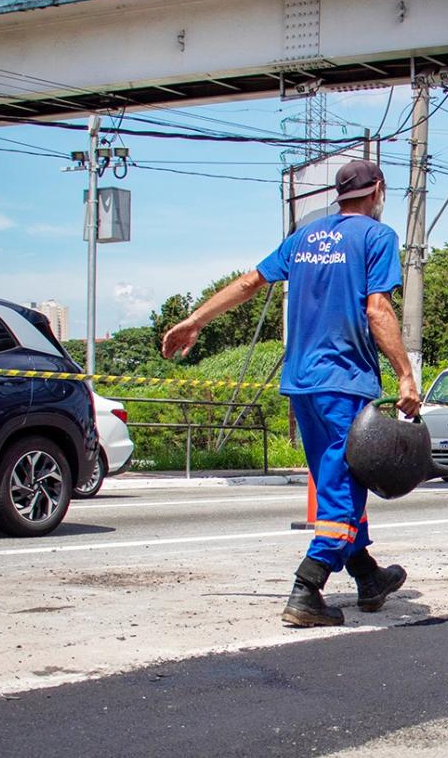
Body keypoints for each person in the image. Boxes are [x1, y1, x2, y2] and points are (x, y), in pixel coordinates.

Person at [162, 159, 421, 626]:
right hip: (344, 379)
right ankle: (307, 587)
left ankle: (367, 577)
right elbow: (378, 309)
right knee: (344, 489)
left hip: (301, 383)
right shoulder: (377, 237)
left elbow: (249, 282)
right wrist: (405, 373)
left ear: (340, 196)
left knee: (333, 481)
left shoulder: (304, 238)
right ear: (378, 190)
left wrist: (195, 320)